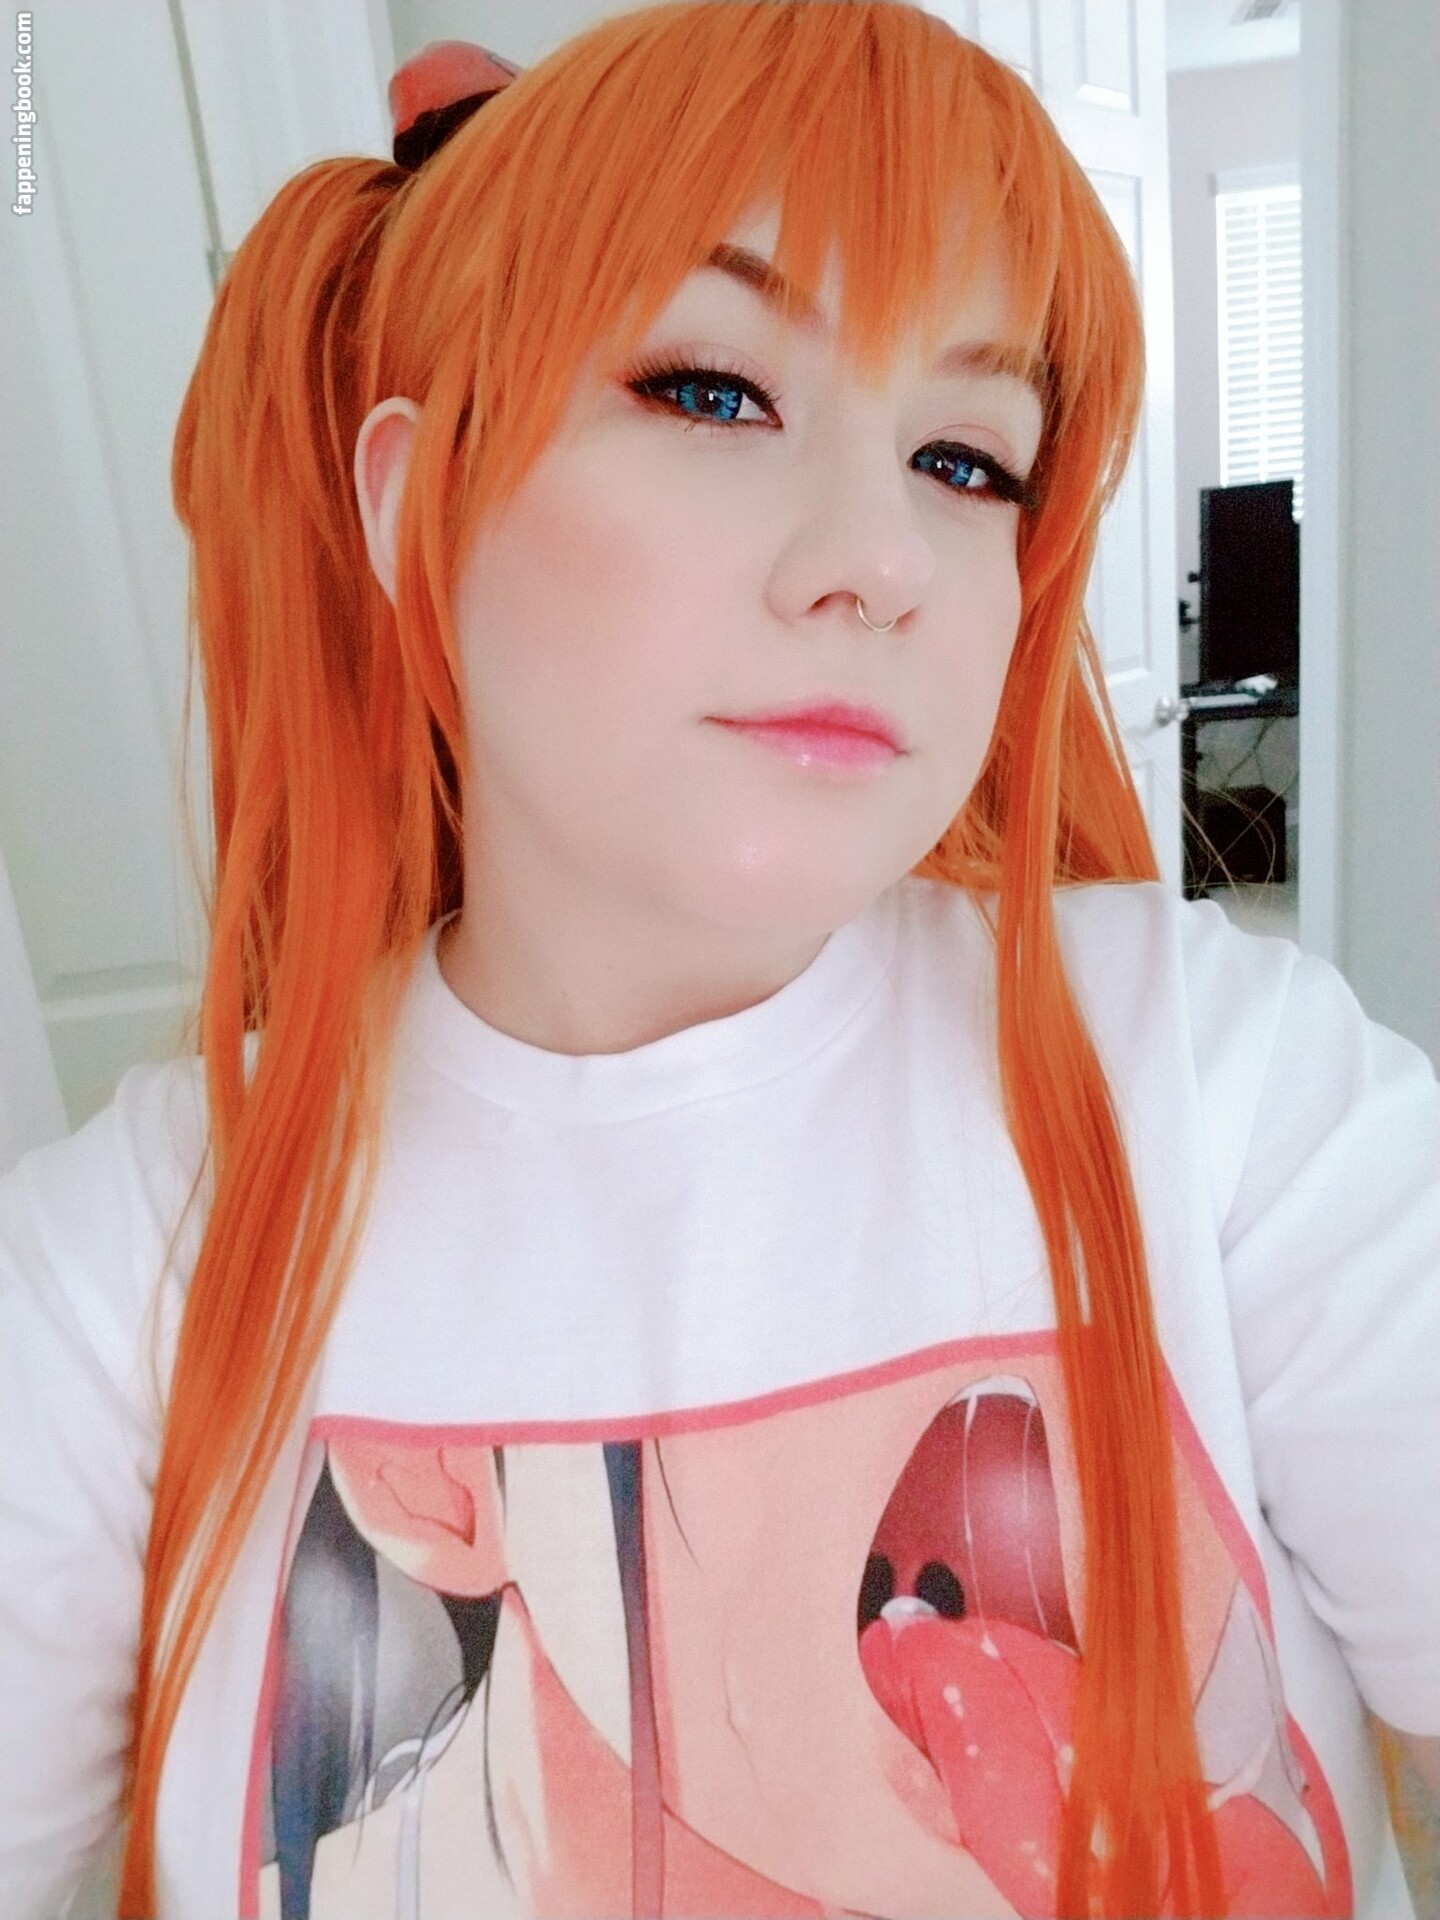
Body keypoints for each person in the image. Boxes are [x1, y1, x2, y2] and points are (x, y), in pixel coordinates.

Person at [1, 5, 1436, 1916]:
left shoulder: (1233, 1085)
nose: (881, 558)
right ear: (414, 503)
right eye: (711, 391)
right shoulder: (122, 1278)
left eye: (965, 458)